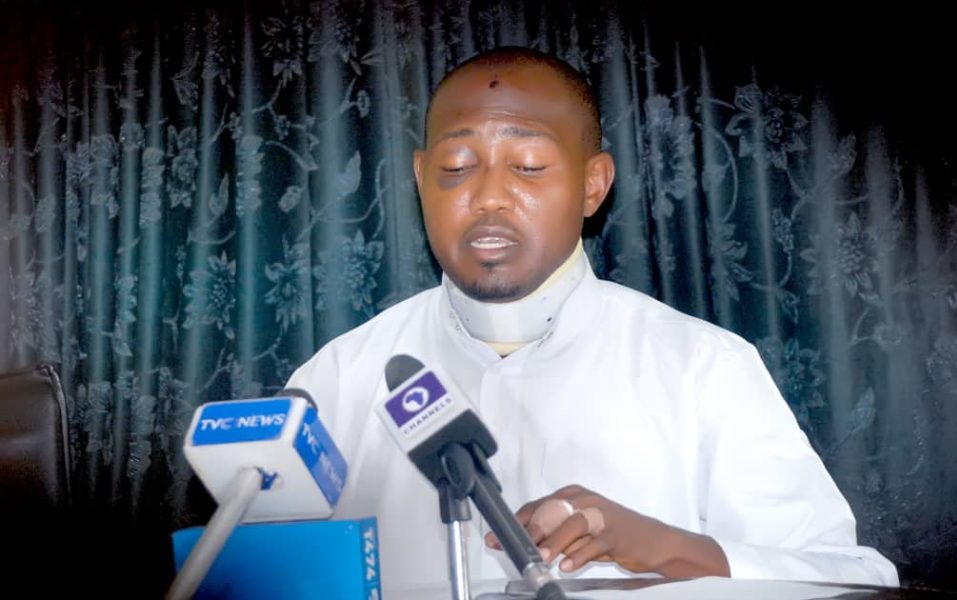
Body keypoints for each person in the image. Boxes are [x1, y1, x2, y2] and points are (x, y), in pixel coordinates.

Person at [286, 46, 899, 591]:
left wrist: (668, 549)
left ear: (593, 184)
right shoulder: (339, 379)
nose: (489, 196)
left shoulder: (703, 368)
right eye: (456, 168)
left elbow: (852, 578)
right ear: (422, 179)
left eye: (528, 165)